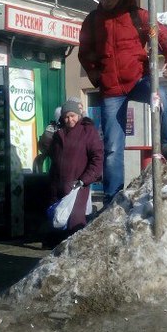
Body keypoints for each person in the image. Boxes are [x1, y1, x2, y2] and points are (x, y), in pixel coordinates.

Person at [78, 0, 167, 203]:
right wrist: (97, 77)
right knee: (113, 149)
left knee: (161, 96)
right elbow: (84, 53)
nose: (105, 1)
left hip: (138, 79)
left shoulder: (140, 16)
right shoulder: (93, 21)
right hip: (111, 91)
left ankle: (166, 143)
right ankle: (112, 198)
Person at [48, 97, 104, 237]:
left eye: (72, 116)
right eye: (66, 117)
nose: (69, 120)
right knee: (58, 223)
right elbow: (54, 158)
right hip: (58, 186)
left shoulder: (88, 132)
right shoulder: (58, 134)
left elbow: (97, 158)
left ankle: (75, 256)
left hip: (78, 187)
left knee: (75, 224)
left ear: (78, 115)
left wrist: (84, 180)